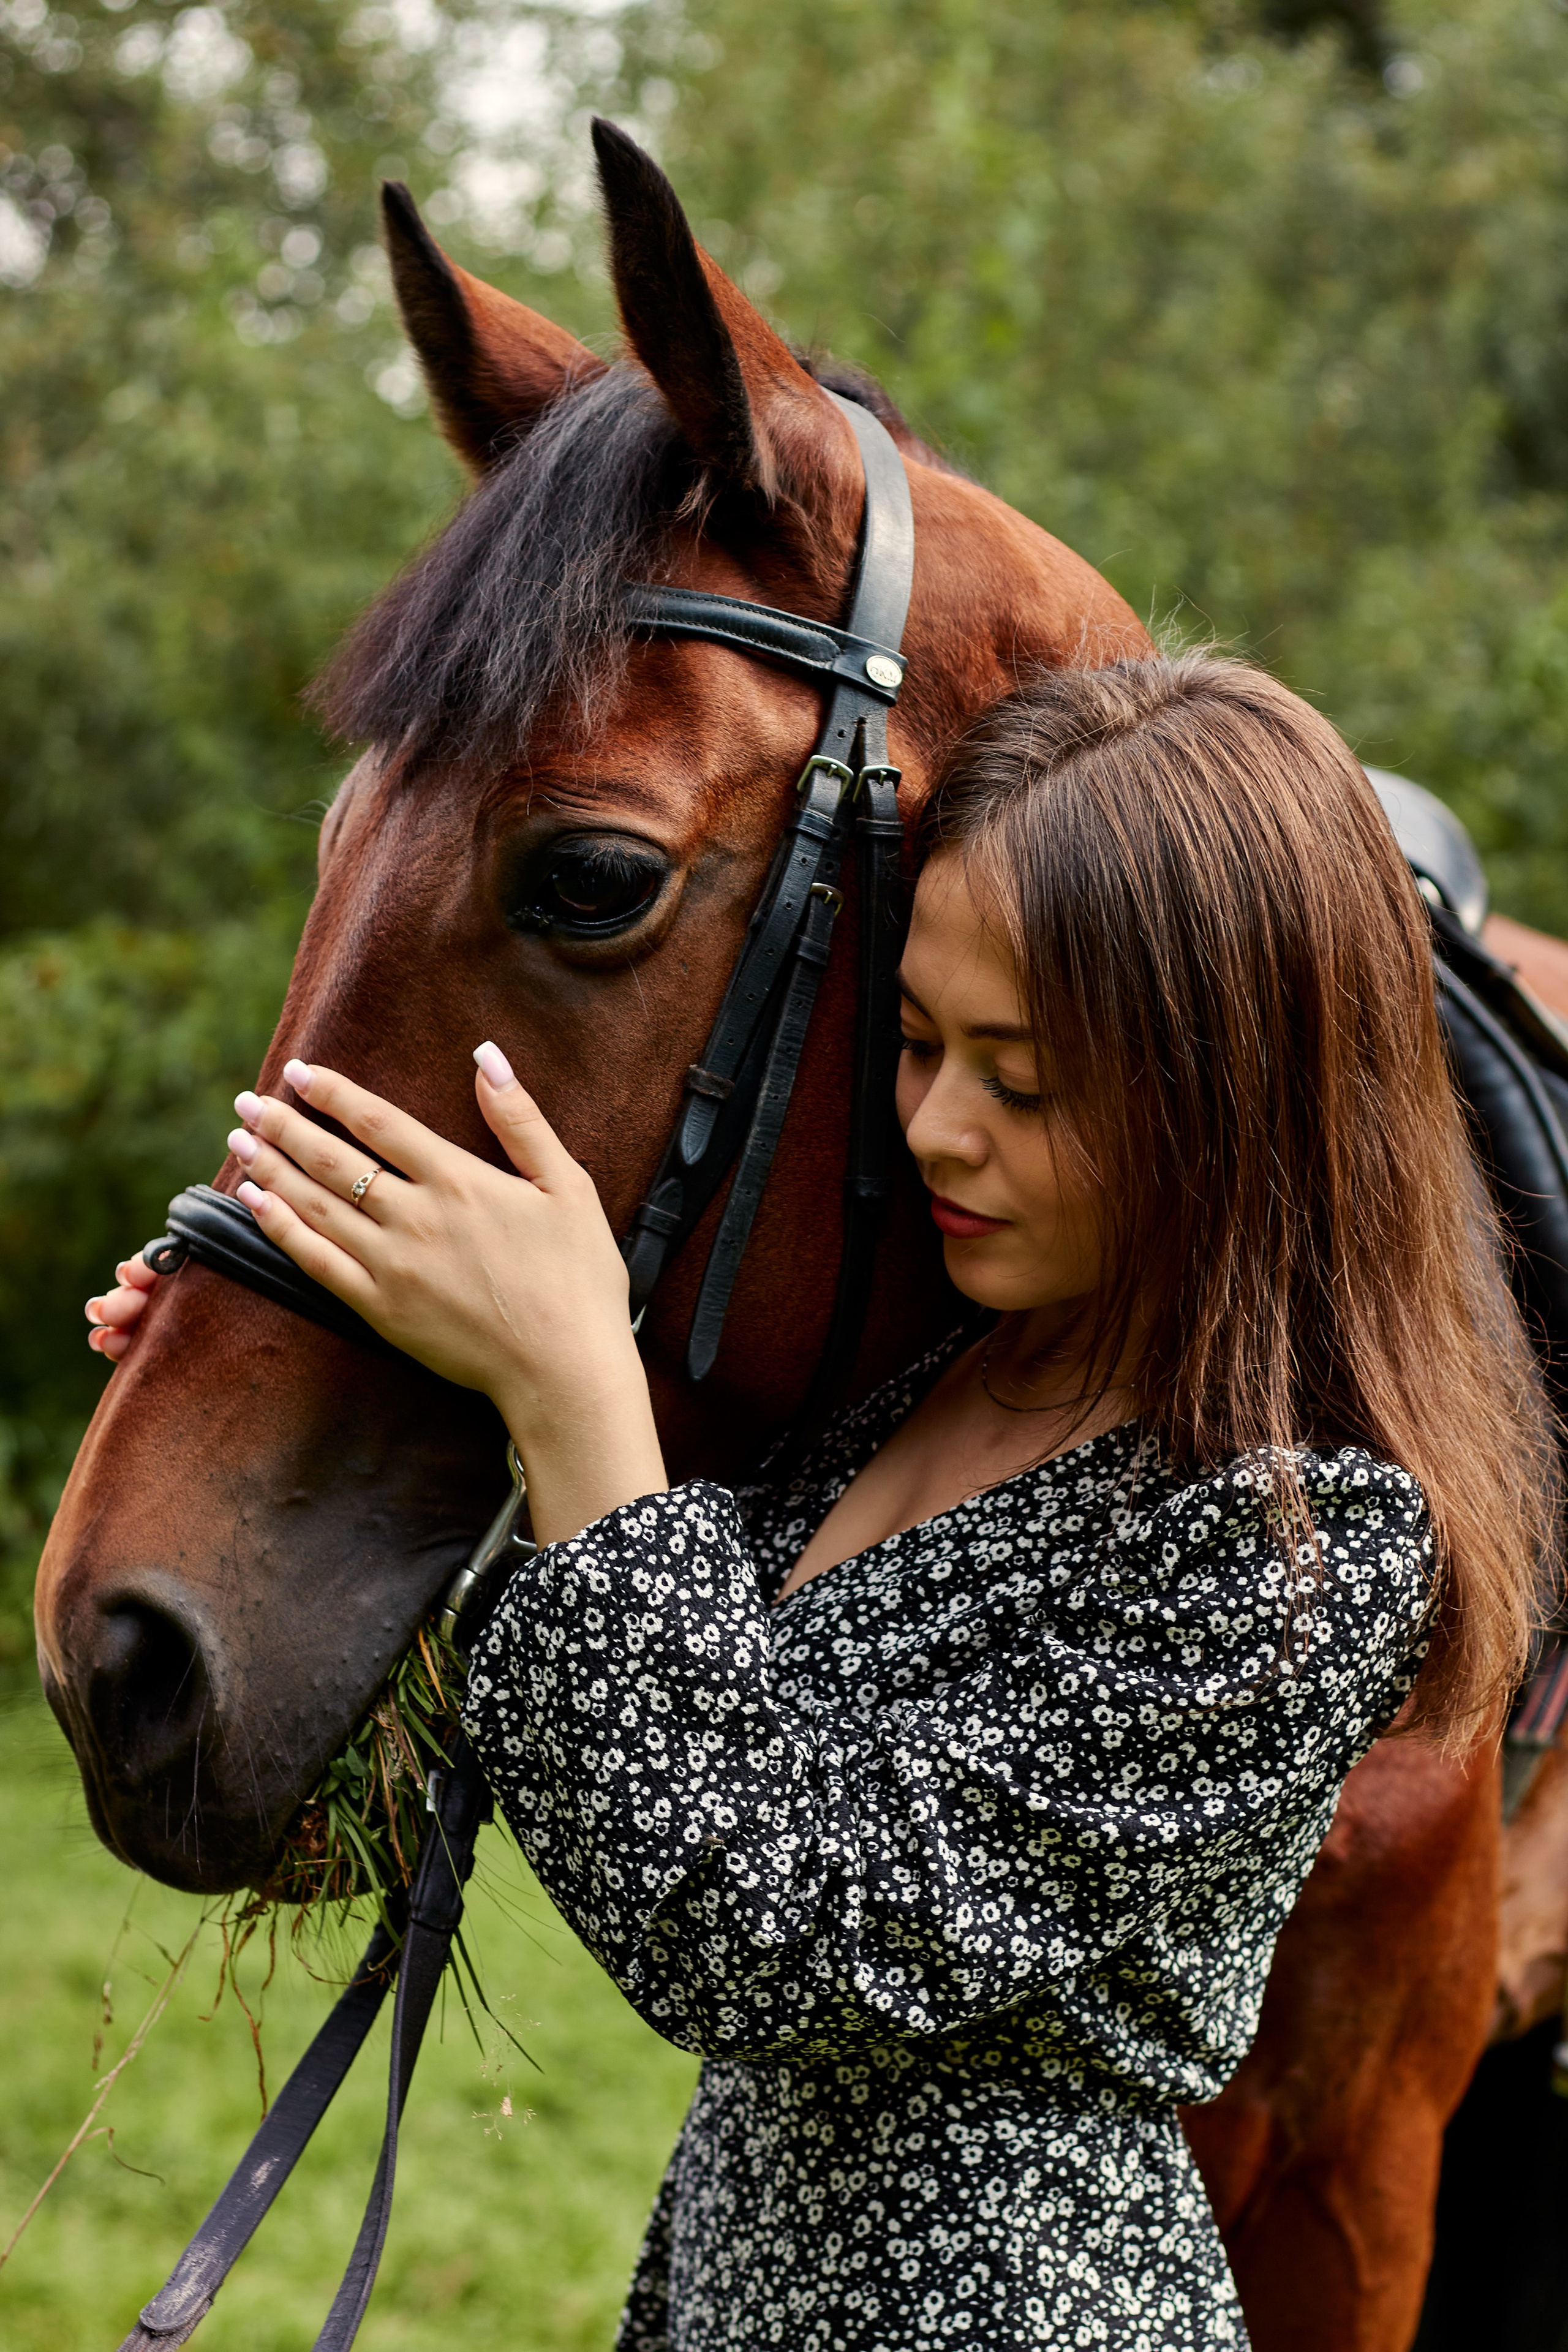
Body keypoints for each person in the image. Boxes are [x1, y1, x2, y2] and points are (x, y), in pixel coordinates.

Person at [86, 654, 1553, 2350]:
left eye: (1025, 1077)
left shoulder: (1300, 1540)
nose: (937, 1126)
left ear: (1239, 1101)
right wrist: (330, 1361)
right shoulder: (938, 1378)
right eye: (921, 1042)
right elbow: (659, 1692)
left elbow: (764, 1930)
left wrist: (575, 1390)